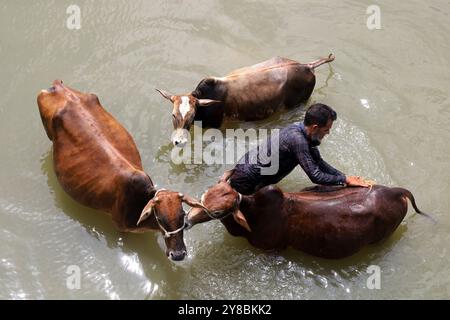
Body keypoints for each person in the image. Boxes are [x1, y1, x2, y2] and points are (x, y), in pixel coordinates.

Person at [227, 103, 369, 194]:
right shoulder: (298, 140)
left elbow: (319, 162)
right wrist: (343, 179)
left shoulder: (302, 131)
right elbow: (316, 176)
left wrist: (346, 178)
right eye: (326, 130)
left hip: (245, 167)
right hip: (246, 182)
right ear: (314, 128)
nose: (328, 133)